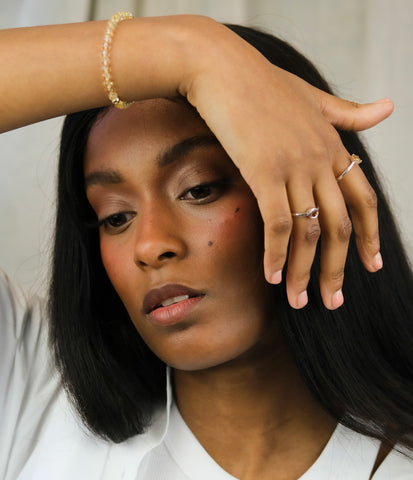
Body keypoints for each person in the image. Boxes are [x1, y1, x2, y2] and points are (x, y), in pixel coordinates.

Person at [0, 13, 406, 480]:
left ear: (317, 191)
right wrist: (190, 51)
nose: (151, 245)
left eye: (199, 189)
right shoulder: (35, 392)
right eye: (116, 216)